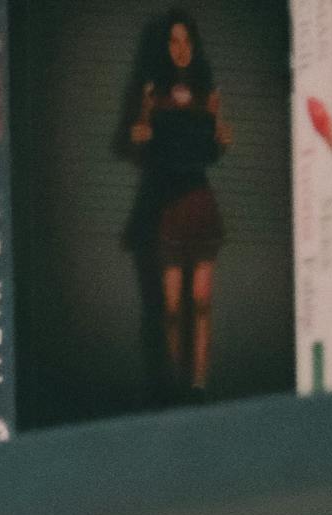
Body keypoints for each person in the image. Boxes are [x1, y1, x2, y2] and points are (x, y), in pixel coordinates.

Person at [125, 13, 232, 401]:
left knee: (202, 302)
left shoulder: (208, 92)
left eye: (186, 40)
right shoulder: (153, 91)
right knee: (171, 307)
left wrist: (223, 136)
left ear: (194, 45)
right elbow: (140, 144)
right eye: (173, 41)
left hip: (200, 203)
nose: (180, 48)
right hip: (166, 206)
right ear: (166, 47)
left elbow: (215, 147)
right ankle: (174, 384)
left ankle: (199, 385)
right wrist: (139, 131)